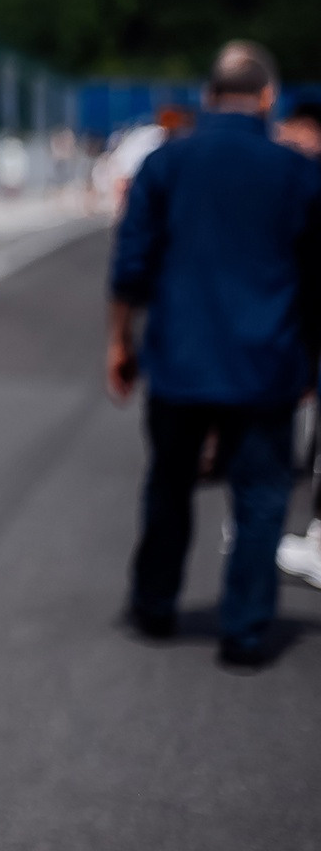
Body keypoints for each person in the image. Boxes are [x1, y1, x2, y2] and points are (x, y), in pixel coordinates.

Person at [110, 42, 321, 668]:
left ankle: (154, 604)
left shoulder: (166, 163)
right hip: (267, 360)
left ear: (207, 97)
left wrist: (119, 341)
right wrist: (309, 361)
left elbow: (130, 265)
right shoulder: (300, 172)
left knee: (169, 483)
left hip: (180, 357)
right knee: (259, 496)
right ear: (265, 98)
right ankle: (246, 630)